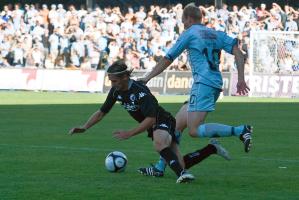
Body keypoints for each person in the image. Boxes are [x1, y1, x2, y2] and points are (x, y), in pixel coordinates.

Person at [139, 3, 252, 153]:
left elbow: (168, 58)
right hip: (215, 83)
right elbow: (239, 53)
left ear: (189, 19)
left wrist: (147, 78)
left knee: (194, 129)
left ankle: (240, 130)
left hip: (203, 83)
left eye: (183, 20)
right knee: (177, 125)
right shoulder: (216, 34)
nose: (183, 24)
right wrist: (241, 79)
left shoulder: (190, 33)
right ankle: (161, 167)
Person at [69, 60, 195, 183]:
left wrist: (129, 133)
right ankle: (178, 172)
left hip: (162, 119)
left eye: (114, 81)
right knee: (176, 158)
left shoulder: (140, 91)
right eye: (110, 81)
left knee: (159, 143)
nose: (112, 84)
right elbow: (102, 112)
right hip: (152, 124)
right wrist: (85, 127)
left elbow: (151, 119)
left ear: (124, 77)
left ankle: (181, 173)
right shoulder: (115, 91)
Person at [138, 101, 231, 177]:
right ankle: (159, 168)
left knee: (179, 163)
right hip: (194, 98)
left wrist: (148, 77)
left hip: (196, 100)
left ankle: (213, 147)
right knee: (173, 135)